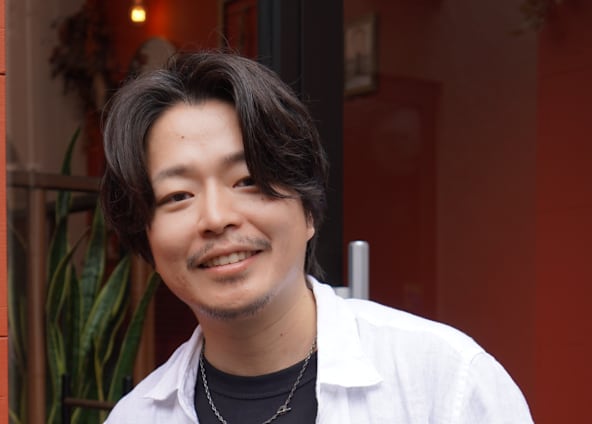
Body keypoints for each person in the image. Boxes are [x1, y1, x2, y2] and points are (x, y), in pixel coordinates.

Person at [100, 51, 533, 423]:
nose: (216, 217)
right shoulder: (135, 416)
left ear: (308, 210)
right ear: (147, 238)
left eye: (247, 180)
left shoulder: (445, 383)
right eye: (178, 195)